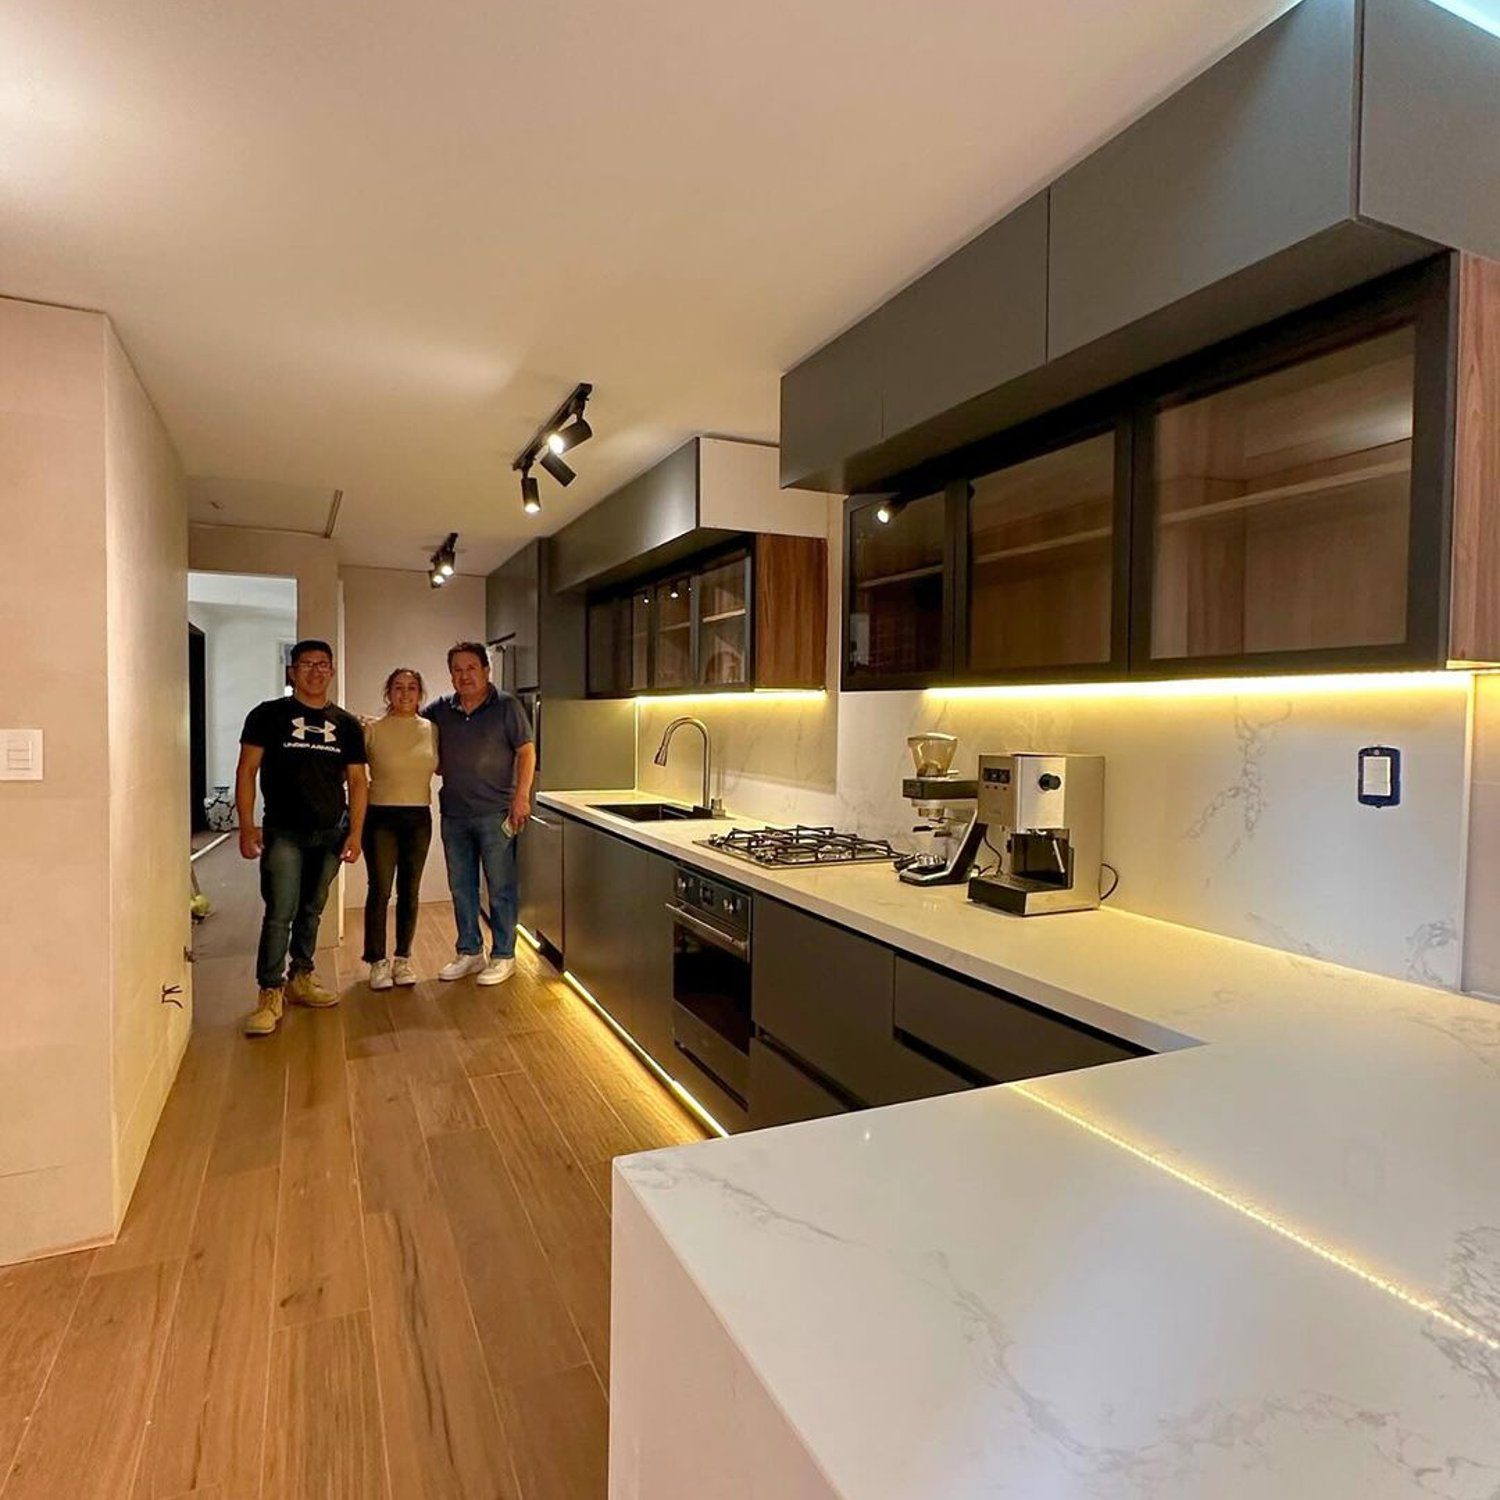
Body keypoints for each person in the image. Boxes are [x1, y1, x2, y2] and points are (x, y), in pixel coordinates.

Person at [236, 639, 367, 1036]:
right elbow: (247, 771)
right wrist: (246, 825)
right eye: (306, 664)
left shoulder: (346, 724)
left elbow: (359, 782)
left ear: (331, 670)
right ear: (292, 671)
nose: (315, 671)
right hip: (283, 832)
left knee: (312, 910)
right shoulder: (268, 715)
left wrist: (356, 833)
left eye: (323, 664)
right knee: (280, 913)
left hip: (330, 833)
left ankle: (301, 978)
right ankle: (269, 992)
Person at [423, 641, 535, 986]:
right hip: (454, 813)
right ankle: (470, 951)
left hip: (496, 813)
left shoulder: (507, 706)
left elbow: (526, 753)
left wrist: (521, 797)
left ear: (486, 670)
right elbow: (409, 726)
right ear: (451, 675)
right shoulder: (441, 709)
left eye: (471, 668)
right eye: (457, 669)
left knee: (500, 887)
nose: (465, 675)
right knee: (461, 887)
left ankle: (504, 955)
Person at [361, 667, 438, 990]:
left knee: (410, 891)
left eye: (411, 688)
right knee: (380, 890)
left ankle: (403, 959)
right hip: (380, 818)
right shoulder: (372, 729)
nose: (405, 693)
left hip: (418, 818)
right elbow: (350, 773)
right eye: (398, 687)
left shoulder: (432, 729)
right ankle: (377, 962)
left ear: (420, 694)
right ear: (387, 693)